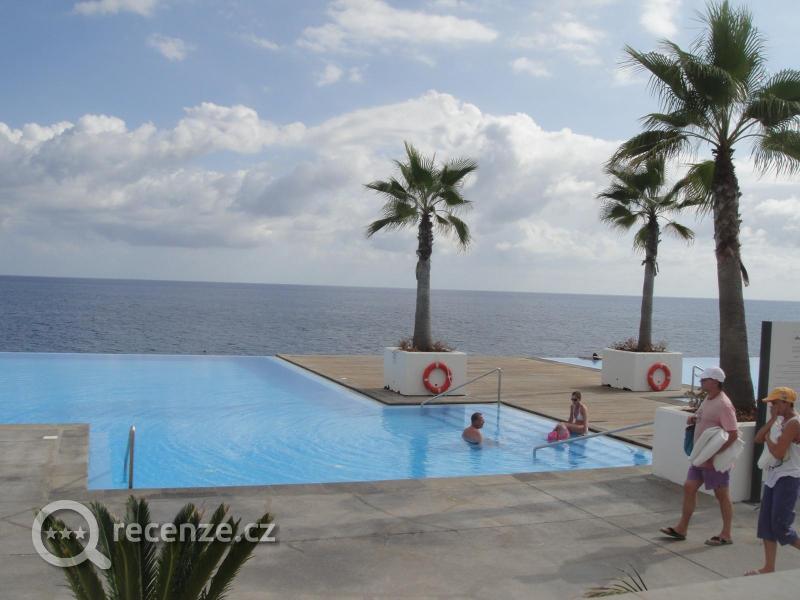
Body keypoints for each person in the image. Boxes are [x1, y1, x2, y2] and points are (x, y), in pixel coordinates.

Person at [660, 366, 738, 545]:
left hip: (715, 461)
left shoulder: (724, 405)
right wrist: (693, 418)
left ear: (715, 382)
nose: (701, 382)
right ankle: (682, 528)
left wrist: (715, 453)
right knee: (689, 487)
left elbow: (733, 433)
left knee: (722, 495)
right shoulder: (708, 399)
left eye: (704, 380)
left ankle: (726, 534)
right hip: (701, 457)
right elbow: (703, 417)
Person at [747, 387, 800, 575]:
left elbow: (778, 453)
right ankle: (768, 567)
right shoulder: (779, 422)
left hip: (788, 478)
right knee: (766, 526)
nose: (772, 406)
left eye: (775, 403)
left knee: (781, 526)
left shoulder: (794, 423)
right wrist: (771, 421)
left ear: (786, 403)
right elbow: (757, 438)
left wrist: (769, 439)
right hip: (773, 478)